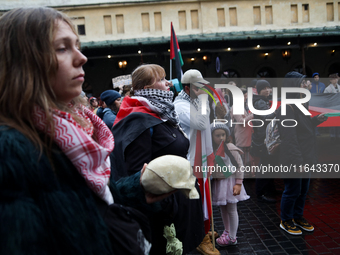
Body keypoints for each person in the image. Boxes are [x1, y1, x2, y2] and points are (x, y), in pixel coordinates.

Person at [0, 7, 172, 255]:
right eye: (62, 48)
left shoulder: (72, 128)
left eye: (77, 46)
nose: (81, 58)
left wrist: (136, 188)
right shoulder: (10, 152)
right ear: (23, 62)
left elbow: (88, 202)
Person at [110, 64, 205, 255]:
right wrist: (169, 208)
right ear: (146, 88)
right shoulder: (139, 119)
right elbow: (138, 174)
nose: (168, 82)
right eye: (161, 79)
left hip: (179, 201)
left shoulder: (160, 113)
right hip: (166, 212)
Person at [174, 69, 220, 255]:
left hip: (202, 156)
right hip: (193, 160)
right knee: (198, 200)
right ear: (187, 88)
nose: (204, 89)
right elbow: (200, 124)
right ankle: (200, 237)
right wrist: (203, 101)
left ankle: (205, 230)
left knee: (205, 199)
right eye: (199, 86)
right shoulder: (181, 105)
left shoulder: (193, 101)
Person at [278, 71, 328, 235]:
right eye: (302, 83)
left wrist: (315, 121)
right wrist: (297, 162)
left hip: (305, 156)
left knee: (303, 190)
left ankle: (298, 216)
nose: (307, 85)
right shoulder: (287, 108)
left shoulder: (301, 104)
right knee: (292, 190)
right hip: (294, 158)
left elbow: (302, 129)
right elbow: (289, 138)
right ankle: (286, 220)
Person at [210, 122, 249, 246]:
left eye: (223, 135)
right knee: (223, 208)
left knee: (232, 209)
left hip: (230, 182)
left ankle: (232, 236)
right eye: (217, 135)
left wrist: (238, 183)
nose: (221, 138)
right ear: (211, 136)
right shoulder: (212, 150)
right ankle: (227, 231)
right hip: (220, 183)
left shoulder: (231, 148)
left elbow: (239, 166)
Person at [250, 80, 277, 203]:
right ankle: (260, 193)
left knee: (269, 164)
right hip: (263, 139)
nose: (268, 90)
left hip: (263, 138)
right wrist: (278, 111)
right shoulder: (260, 102)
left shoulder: (262, 100)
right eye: (264, 88)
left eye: (269, 87)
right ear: (259, 90)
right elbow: (266, 117)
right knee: (265, 166)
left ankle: (270, 189)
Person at [230, 88, 254, 171]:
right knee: (242, 154)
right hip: (241, 134)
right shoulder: (236, 106)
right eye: (244, 96)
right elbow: (241, 121)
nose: (245, 98)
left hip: (245, 134)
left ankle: (246, 174)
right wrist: (252, 115)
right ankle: (242, 175)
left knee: (246, 154)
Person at [324, 73, 340, 142]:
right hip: (331, 107)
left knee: (338, 122)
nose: (335, 80)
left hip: (338, 107)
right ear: (330, 80)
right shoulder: (327, 89)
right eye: (334, 79)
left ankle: (338, 136)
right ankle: (333, 136)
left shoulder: (339, 87)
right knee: (333, 123)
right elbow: (325, 98)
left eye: (336, 78)